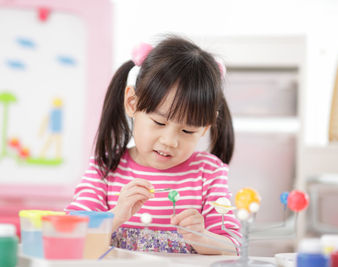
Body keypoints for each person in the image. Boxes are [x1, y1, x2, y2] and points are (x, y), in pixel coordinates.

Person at [66, 36, 240, 255]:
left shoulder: (208, 173)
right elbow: (70, 232)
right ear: (132, 103)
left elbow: (232, 247)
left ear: (206, 126)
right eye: (159, 122)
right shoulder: (107, 165)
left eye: (188, 131)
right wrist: (116, 216)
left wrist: (201, 236)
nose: (170, 141)